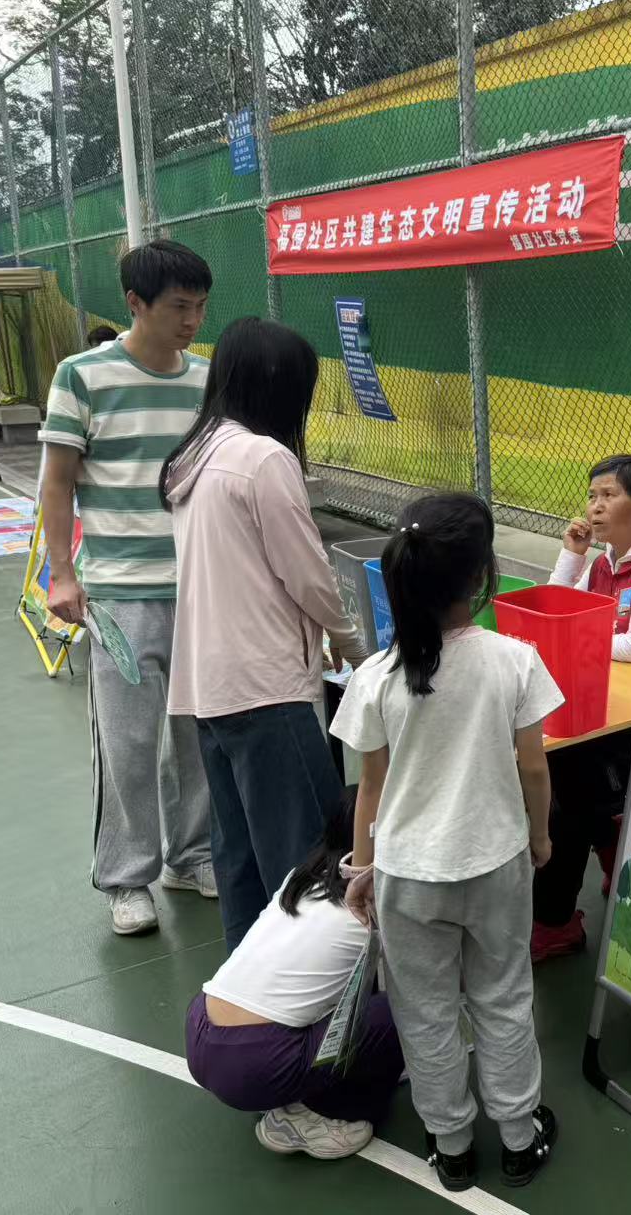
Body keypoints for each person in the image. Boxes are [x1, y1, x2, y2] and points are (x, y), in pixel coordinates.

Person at [333, 493, 562, 1192]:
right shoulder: (514, 661)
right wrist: (540, 836)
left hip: (406, 875)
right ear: (482, 575)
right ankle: (519, 1136)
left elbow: (369, 788)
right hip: (495, 862)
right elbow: (533, 768)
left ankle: (452, 1145)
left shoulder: (376, 676)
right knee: (503, 996)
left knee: (424, 1011)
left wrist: (361, 868)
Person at [163, 317, 370, 951]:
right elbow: (305, 570)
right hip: (266, 688)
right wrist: (351, 641)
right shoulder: (263, 457)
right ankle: (306, 986)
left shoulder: (196, 453)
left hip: (209, 689)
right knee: (304, 853)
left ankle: (246, 980)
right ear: (278, 388)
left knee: (240, 855)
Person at [39, 240, 217, 936]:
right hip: (118, 595)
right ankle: (126, 878)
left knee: (197, 737)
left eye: (200, 307)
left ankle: (191, 856)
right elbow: (57, 483)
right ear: (135, 303)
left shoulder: (207, 380)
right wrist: (62, 573)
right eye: (179, 307)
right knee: (127, 743)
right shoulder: (81, 376)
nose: (192, 321)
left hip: (200, 593)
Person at [185, 790, 404, 1160]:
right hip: (254, 1062)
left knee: (351, 997)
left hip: (201, 1026)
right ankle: (313, 1113)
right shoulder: (369, 909)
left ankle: (293, 1086)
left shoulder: (300, 881)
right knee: (404, 1013)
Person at [530, 454, 631, 961]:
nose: (595, 506)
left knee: (569, 787)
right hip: (604, 705)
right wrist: (572, 556)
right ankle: (611, 849)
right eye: (592, 496)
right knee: (563, 769)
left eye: (609, 495)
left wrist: (578, 634)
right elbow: (551, 614)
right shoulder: (602, 564)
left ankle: (554, 922)